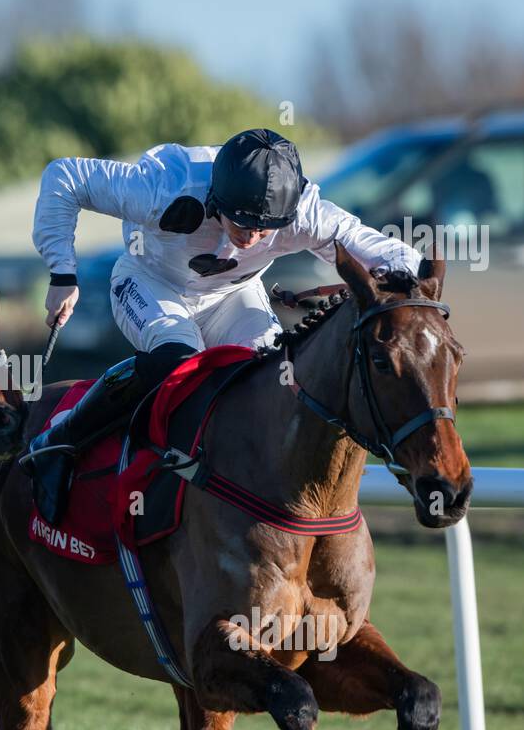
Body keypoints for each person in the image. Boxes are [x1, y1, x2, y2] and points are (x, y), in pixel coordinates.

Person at [26, 128, 423, 523]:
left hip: (233, 296)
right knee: (179, 358)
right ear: (216, 199)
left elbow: (381, 250)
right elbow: (65, 177)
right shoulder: (166, 185)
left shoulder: (305, 210)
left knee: (272, 380)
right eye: (242, 223)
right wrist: (62, 272)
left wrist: (417, 284)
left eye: (264, 228)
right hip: (149, 283)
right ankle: (61, 439)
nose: (251, 238)